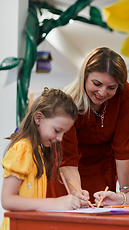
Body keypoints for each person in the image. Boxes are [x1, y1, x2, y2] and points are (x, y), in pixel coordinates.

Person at [47, 47, 129, 203]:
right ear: (84, 76)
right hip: (68, 174)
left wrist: (125, 194)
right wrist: (77, 194)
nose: (103, 93)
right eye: (97, 84)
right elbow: (68, 158)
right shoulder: (68, 103)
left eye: (111, 87)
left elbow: (123, 146)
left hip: (102, 170)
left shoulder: (124, 94)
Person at [1, 88, 83, 230]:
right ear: (38, 118)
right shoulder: (22, 149)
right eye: (57, 131)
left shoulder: (38, 150)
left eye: (64, 133)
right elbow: (7, 200)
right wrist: (55, 203)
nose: (60, 138)